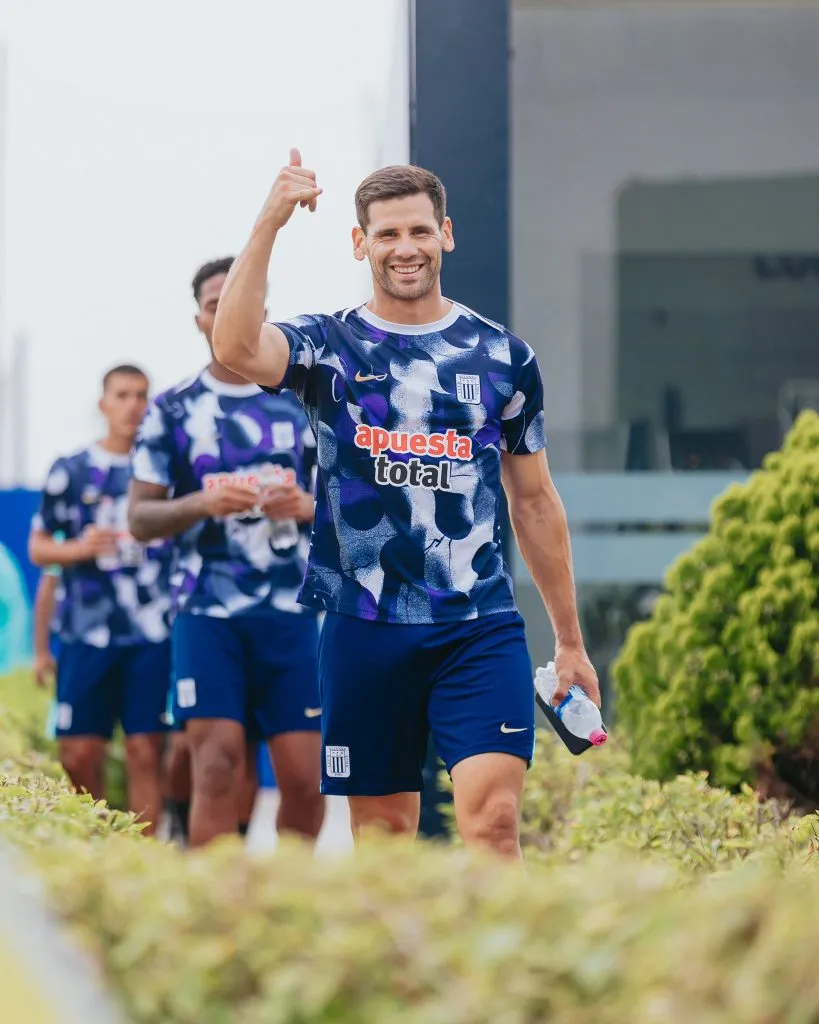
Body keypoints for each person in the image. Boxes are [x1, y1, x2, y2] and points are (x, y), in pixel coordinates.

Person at [211, 152, 601, 860]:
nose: (405, 249)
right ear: (359, 243)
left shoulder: (502, 356)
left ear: (445, 234)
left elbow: (535, 502)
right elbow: (235, 345)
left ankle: (497, 973)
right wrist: (270, 218)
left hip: (476, 625)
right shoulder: (326, 347)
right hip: (363, 627)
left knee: (491, 825)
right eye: (386, 235)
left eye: (418, 231)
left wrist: (569, 642)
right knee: (385, 842)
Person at [127, 257, 324, 848]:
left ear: (260, 311)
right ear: (199, 319)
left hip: (293, 616)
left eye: (240, 301)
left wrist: (307, 507)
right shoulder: (172, 409)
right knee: (215, 766)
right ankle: (219, 913)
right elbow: (139, 519)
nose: (227, 312)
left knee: (305, 780)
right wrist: (202, 505)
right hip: (207, 613)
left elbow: (352, 506)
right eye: (215, 304)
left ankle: (284, 908)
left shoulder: (304, 401)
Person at [29, 366, 172, 835]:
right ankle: (92, 842)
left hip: (151, 635)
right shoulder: (69, 470)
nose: (133, 404)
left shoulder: (163, 472)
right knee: (78, 752)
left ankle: (146, 859)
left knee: (145, 750)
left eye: (142, 395)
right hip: (85, 634)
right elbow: (40, 550)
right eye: (123, 394)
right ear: (103, 404)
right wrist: (81, 549)